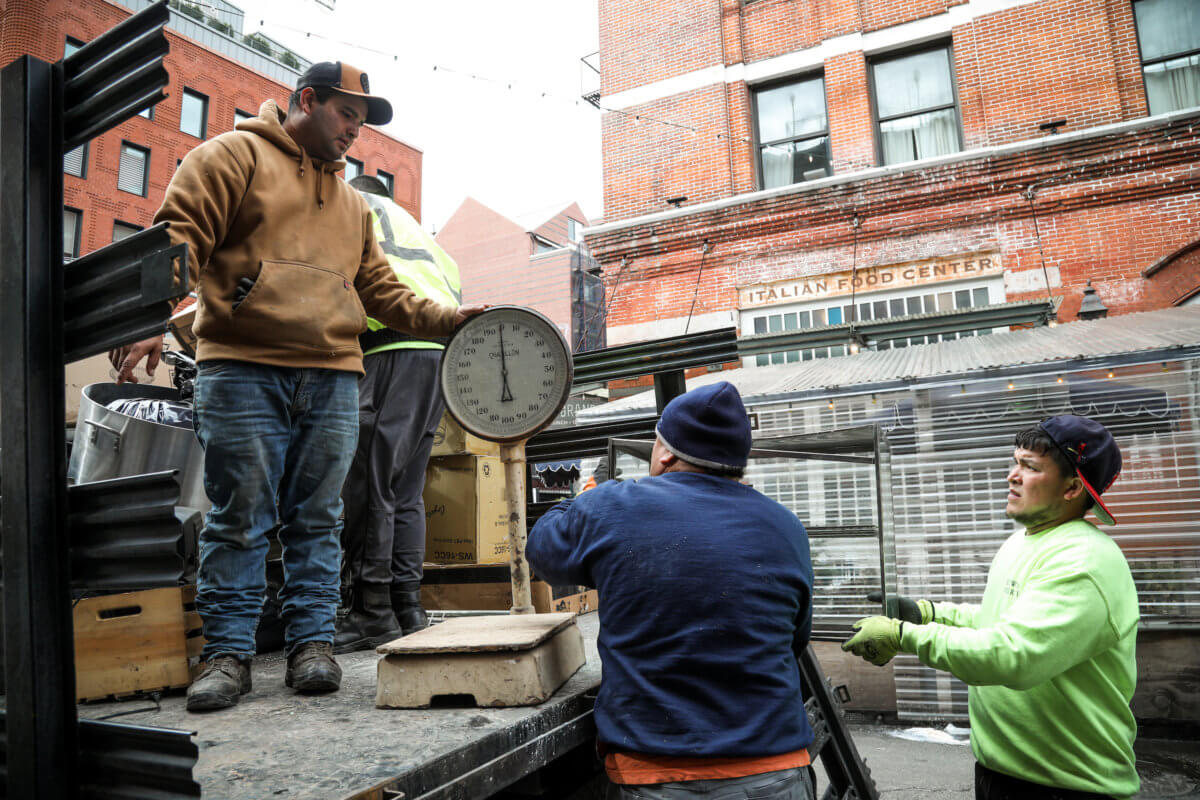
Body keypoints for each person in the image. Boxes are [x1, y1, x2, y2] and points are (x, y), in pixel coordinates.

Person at [108, 61, 487, 712]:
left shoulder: (351, 204)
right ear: (307, 100)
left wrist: (446, 319)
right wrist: (148, 316)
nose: (355, 133)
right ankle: (227, 655)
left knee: (319, 519)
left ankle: (313, 646)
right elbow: (179, 238)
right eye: (347, 115)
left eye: (361, 123)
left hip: (333, 374)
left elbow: (381, 291)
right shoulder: (230, 157)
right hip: (243, 366)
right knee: (240, 516)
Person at [527, 382, 816, 800]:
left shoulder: (612, 505)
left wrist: (582, 501)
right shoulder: (787, 526)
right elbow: (796, 640)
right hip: (776, 772)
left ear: (664, 453)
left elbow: (542, 551)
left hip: (659, 777)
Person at [842, 415, 1139, 800]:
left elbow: (1012, 655)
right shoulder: (1022, 542)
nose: (1012, 476)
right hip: (1001, 771)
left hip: (1067, 786)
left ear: (1072, 487)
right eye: (1016, 463)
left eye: (1030, 467)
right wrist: (928, 614)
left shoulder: (1084, 561)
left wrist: (904, 636)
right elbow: (997, 621)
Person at [333, 174, 461, 653]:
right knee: (405, 491)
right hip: (438, 357)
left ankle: (370, 612)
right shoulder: (426, 239)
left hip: (389, 348)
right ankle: (408, 608)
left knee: (369, 485)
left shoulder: (351, 208)